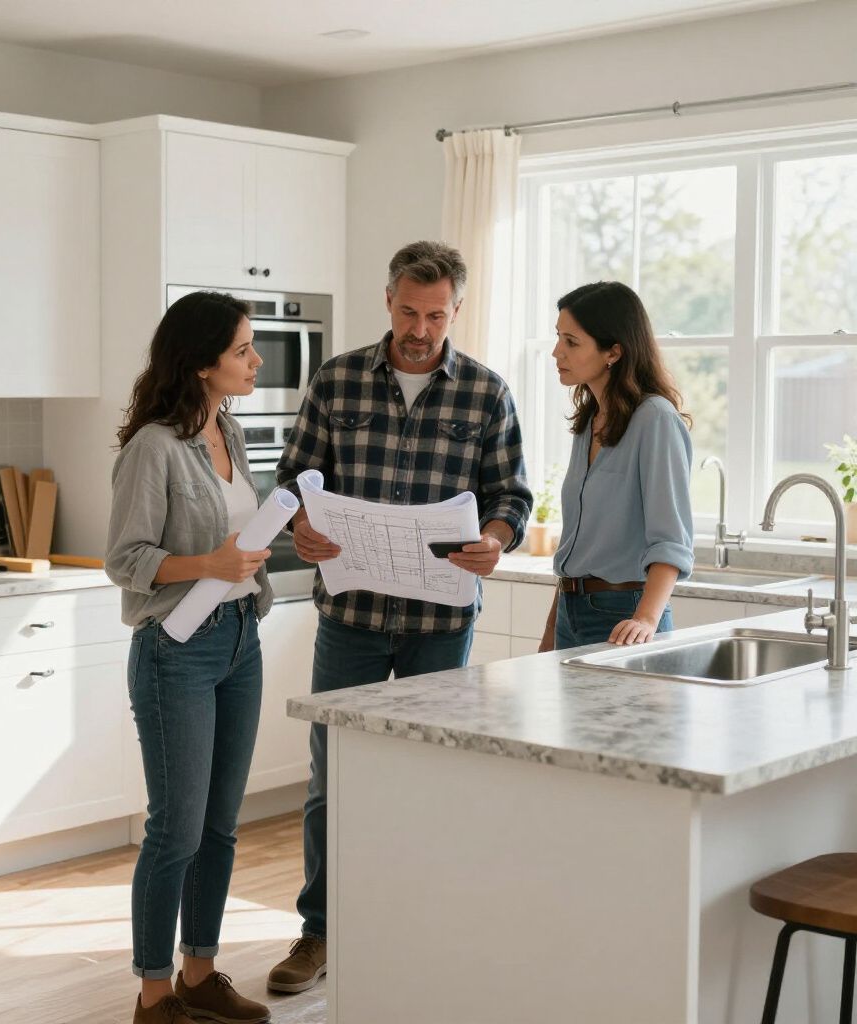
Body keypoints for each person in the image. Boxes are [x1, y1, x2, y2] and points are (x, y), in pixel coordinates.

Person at [267, 240, 533, 994]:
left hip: (440, 626)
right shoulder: (337, 379)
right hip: (349, 616)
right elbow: (295, 477)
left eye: (436, 316)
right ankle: (319, 933)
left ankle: (420, 928)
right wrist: (302, 527)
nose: (420, 329)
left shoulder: (486, 393)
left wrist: (495, 539)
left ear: (457, 310)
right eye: (409, 312)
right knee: (332, 779)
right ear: (388, 300)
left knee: (427, 780)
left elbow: (511, 494)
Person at [105, 290, 273, 1024]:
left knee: (219, 825)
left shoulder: (228, 431)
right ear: (203, 364)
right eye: (242, 349)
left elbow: (239, 539)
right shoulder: (153, 447)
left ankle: (200, 975)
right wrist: (209, 564)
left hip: (240, 639)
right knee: (175, 830)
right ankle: (154, 995)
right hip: (176, 650)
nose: (256, 360)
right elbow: (126, 559)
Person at [537, 281, 694, 653]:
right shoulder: (588, 422)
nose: (557, 352)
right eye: (558, 337)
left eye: (572, 342)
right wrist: (550, 634)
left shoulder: (655, 420)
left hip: (625, 617)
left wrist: (646, 620)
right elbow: (576, 546)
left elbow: (671, 541)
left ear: (614, 351)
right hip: (570, 611)